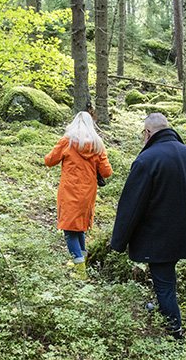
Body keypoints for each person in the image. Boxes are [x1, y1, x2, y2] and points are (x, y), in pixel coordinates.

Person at [110, 113, 186, 339]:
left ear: (148, 133)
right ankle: (164, 311)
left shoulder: (147, 160)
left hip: (157, 236)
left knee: (164, 284)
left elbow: (131, 205)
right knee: (166, 278)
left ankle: (175, 332)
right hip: (184, 233)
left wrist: (118, 242)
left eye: (143, 134)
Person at [45, 111, 113, 279]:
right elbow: (107, 172)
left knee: (69, 229)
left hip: (69, 191)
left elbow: (49, 161)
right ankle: (82, 258)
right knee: (80, 226)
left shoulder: (67, 142)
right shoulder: (98, 145)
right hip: (88, 192)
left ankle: (80, 269)